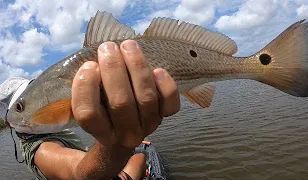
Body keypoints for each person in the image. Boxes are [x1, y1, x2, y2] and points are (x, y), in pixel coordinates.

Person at [0, 40, 180, 180]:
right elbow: (79, 173)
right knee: (139, 157)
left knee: (140, 155)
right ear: (9, 121)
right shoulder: (40, 150)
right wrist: (121, 142)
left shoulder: (55, 128)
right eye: (20, 107)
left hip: (110, 169)